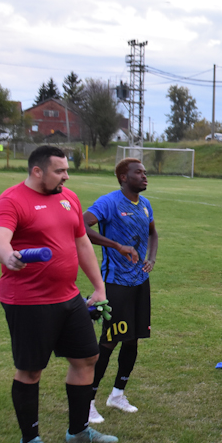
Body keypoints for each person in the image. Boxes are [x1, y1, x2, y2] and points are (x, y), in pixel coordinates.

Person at [0, 145, 118, 443]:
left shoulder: (68, 197)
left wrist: (99, 287)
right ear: (37, 171)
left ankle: (78, 431)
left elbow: (82, 242)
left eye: (66, 170)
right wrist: (8, 256)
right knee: (31, 370)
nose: (66, 176)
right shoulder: (12, 200)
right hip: (28, 301)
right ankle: (29, 441)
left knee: (86, 358)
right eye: (59, 171)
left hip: (68, 297)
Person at [83, 158, 159, 423]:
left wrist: (151, 258)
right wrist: (116, 246)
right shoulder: (109, 202)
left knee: (132, 339)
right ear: (123, 177)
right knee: (109, 340)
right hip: (115, 283)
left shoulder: (145, 204)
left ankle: (117, 394)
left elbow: (153, 234)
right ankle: (88, 401)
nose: (144, 176)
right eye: (139, 172)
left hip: (140, 282)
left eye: (145, 172)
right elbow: (82, 226)